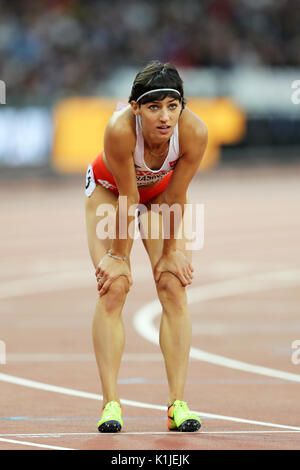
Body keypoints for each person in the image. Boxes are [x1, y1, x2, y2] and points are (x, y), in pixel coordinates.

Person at [85, 60, 207, 433]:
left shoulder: (194, 132)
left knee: (172, 283)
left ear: (182, 107)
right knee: (114, 289)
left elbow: (177, 194)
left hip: (160, 198)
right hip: (111, 193)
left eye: (173, 105)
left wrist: (171, 252)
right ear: (135, 107)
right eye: (154, 107)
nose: (165, 116)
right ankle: (110, 404)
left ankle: (177, 405)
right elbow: (127, 196)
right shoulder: (119, 131)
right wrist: (119, 257)